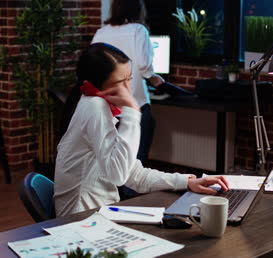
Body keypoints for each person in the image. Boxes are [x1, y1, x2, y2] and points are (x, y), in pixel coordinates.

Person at [54, 43, 228, 217]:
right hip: (80, 221)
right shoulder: (94, 106)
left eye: (129, 79)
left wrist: (187, 182)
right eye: (120, 82)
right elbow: (119, 175)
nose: (128, 90)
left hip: (98, 213)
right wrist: (131, 112)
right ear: (96, 85)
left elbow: (133, 173)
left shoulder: (94, 104)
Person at [91, 0, 162, 165]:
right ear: (138, 10)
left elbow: (93, 65)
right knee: (135, 156)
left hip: (108, 105)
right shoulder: (138, 30)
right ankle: (132, 190)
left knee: (112, 156)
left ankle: (116, 189)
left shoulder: (101, 33)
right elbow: (144, 65)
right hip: (134, 103)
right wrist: (154, 78)